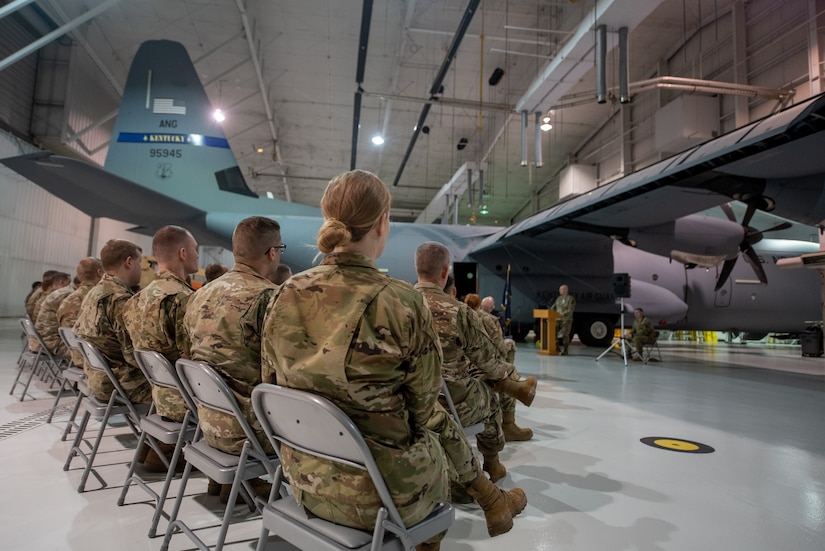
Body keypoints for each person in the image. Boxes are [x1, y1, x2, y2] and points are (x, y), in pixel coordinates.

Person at [261, 170, 526, 548]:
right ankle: (450, 522)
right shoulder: (400, 301)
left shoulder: (282, 294)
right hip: (385, 494)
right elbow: (421, 408)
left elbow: (270, 386)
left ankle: (488, 500)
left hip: (303, 480)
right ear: (383, 223)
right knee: (433, 427)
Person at [415, 241, 536, 483]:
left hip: (409, 399)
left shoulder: (396, 303)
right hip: (450, 400)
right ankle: (492, 463)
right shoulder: (458, 311)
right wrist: (504, 376)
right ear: (444, 272)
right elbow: (489, 361)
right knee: (490, 402)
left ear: (417, 268)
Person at [184, 216, 281, 456]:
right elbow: (281, 374)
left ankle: (229, 486)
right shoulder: (271, 298)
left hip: (207, 420)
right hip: (253, 429)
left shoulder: (200, 295)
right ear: (272, 252)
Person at [123, 226, 199, 423]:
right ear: (183, 253)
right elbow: (194, 360)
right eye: (195, 249)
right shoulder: (183, 299)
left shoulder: (135, 300)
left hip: (159, 395)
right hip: (188, 401)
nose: (197, 255)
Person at [73, 239, 151, 404]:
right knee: (189, 393)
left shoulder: (94, 293)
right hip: (123, 384)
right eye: (140, 262)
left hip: (98, 378)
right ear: (129, 262)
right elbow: (134, 356)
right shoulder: (120, 299)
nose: (141, 269)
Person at [480, 295, 533, 441]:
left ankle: (518, 389)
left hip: (440, 376)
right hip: (468, 374)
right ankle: (509, 425)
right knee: (507, 371)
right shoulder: (489, 320)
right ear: (491, 307)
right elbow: (499, 347)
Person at [58, 258, 104, 367]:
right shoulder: (97, 299)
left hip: (75, 355)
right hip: (91, 359)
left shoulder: (68, 299)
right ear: (100, 273)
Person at [32, 271, 73, 355]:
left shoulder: (49, 295)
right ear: (62, 282)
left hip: (40, 340)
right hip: (50, 343)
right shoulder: (59, 297)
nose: (70, 286)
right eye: (69, 283)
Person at [551, 284, 576, 355]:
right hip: (557, 319)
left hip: (566, 319)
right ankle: (556, 347)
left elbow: (570, 309)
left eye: (561, 289)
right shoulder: (558, 299)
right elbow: (553, 307)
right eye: (560, 290)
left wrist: (563, 313)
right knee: (553, 332)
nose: (560, 291)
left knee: (565, 334)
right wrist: (549, 313)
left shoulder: (570, 299)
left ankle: (565, 350)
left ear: (566, 290)